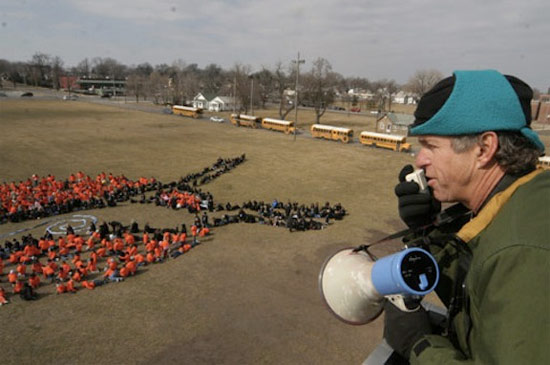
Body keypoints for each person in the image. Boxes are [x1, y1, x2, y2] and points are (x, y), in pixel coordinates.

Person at [383, 70, 549, 364]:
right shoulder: (515, 202)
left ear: (484, 148)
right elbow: (480, 293)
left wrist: (419, 346)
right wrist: (429, 229)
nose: (419, 160)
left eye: (431, 146)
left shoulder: (522, 252)